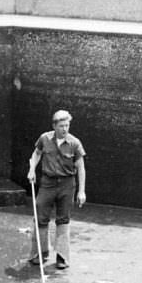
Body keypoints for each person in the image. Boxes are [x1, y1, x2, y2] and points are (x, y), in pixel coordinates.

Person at [26, 110, 87, 270]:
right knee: (40, 216)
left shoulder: (74, 142)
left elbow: (80, 167)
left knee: (63, 219)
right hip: (47, 183)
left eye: (67, 125)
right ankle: (39, 253)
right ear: (54, 126)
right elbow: (36, 153)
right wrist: (32, 169)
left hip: (67, 185)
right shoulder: (44, 138)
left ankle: (62, 257)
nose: (65, 129)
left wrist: (81, 191)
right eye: (61, 126)